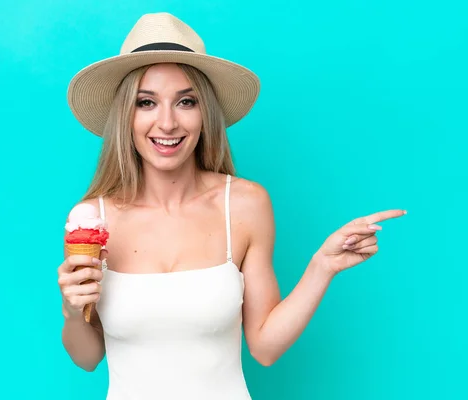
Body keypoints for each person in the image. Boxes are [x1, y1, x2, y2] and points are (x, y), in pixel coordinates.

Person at [57, 12, 406, 400]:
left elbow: (265, 347)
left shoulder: (243, 205)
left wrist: (322, 266)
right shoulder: (91, 219)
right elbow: (88, 357)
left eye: (185, 101)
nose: (168, 122)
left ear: (205, 113)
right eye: (146, 102)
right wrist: (72, 310)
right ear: (126, 115)